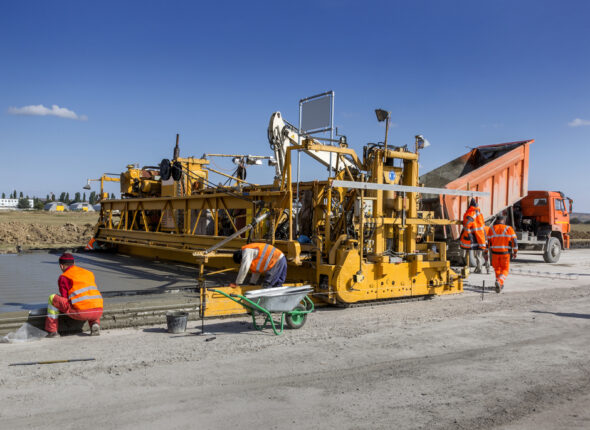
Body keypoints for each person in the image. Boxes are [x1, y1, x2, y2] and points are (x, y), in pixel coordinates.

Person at [45, 253, 103, 337]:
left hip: (81, 313)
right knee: (91, 301)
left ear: (61, 266)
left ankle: (52, 331)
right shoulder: (89, 273)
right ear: (74, 263)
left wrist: (59, 298)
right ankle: (95, 324)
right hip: (98, 312)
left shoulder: (64, 277)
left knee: (52, 298)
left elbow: (65, 298)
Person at [488, 216, 518, 293]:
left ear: (497, 221)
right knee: (505, 270)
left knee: (497, 269)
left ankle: (499, 285)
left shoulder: (491, 229)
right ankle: (500, 281)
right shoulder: (509, 228)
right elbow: (514, 241)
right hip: (505, 254)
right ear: (504, 221)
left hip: (494, 254)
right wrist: (515, 251)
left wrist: (485, 253)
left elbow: (487, 242)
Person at [460, 198, 487, 273]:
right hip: (480, 236)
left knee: (475, 254)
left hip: (474, 236)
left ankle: (478, 269)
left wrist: (465, 235)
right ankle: (481, 268)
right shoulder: (479, 213)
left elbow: (467, 224)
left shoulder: (471, 213)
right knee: (479, 254)